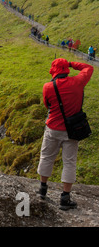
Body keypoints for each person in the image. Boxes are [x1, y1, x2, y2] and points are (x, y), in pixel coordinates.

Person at [37, 59, 94, 210]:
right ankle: (65, 198)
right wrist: (71, 63)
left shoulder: (48, 87)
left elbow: (47, 104)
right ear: (66, 70)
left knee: (46, 156)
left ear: (54, 71)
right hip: (72, 130)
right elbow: (89, 67)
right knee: (69, 162)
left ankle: (42, 189)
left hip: (53, 128)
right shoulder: (78, 81)